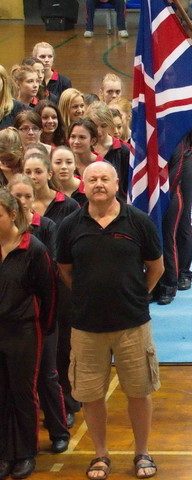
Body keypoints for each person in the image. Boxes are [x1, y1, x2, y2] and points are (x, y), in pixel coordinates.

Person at [55, 162, 163, 480]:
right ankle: (100, 455)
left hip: (133, 326)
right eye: (92, 179)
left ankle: (142, 452)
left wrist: (134, 296)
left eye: (105, 178)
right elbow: (66, 270)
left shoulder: (139, 222)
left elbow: (156, 267)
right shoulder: (69, 226)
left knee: (139, 391)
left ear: (117, 184)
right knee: (90, 395)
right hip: (86, 328)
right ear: (83, 185)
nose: (99, 183)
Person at [7, 175, 71, 454]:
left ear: (34, 198)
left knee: (47, 374)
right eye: (16, 197)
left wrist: (46, 324)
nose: (22, 202)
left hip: (41, 319)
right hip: (13, 324)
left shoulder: (44, 228)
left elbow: (51, 280)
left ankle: (59, 430)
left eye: (26, 196)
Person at [0, 186, 56, 480]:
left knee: (23, 393)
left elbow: (49, 294)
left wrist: (43, 329)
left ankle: (25, 452)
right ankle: (3, 452)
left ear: (11, 214)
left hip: (23, 331)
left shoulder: (33, 249)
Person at [154, 128, 192, 305]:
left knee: (181, 220)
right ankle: (160, 275)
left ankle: (183, 272)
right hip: (156, 163)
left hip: (182, 160)